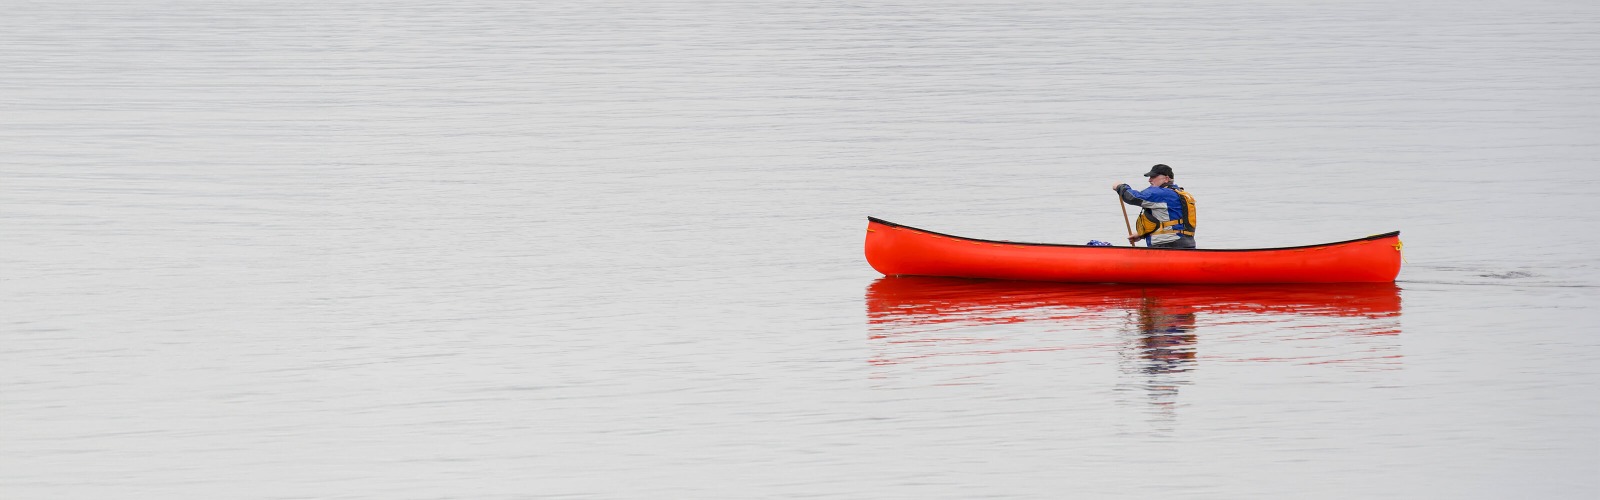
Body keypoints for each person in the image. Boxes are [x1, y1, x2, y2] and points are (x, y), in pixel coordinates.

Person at [1113, 164, 1197, 248]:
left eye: (1153, 177)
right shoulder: (1178, 194)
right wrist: (1141, 235)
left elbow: (1132, 197)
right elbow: (1170, 220)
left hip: (1168, 244)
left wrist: (1120, 187)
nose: (1149, 180)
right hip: (1187, 243)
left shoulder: (1160, 193)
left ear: (1166, 179)